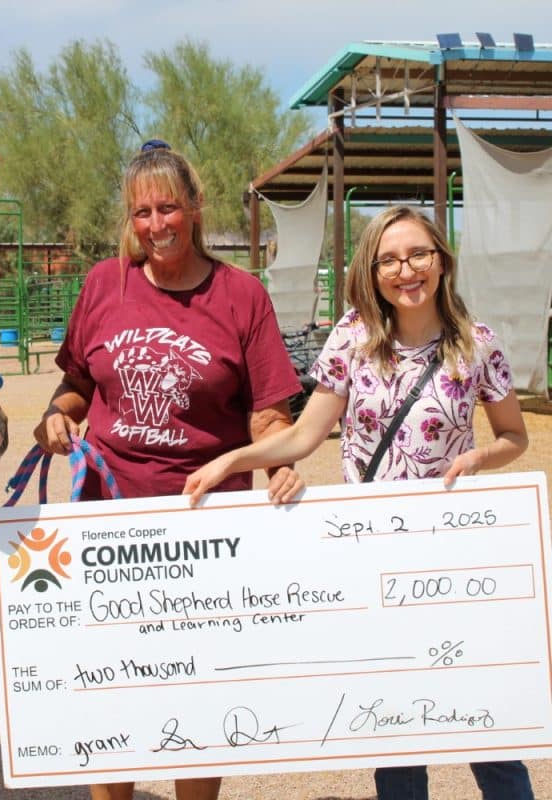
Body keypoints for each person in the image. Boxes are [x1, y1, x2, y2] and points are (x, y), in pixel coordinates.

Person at [183, 205, 534, 800]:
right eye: (389, 260)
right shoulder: (352, 339)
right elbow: (302, 435)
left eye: (418, 254)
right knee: (394, 731)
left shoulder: (477, 346)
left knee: (483, 715)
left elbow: (514, 437)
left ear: (441, 261)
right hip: (373, 561)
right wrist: (231, 460)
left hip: (453, 556)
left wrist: (478, 458)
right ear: (372, 274)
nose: (406, 270)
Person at [33, 139, 305, 800]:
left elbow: (271, 411)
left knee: (196, 689)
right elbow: (74, 383)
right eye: (143, 212)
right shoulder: (104, 284)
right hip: (107, 523)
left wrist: (278, 468)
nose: (157, 224)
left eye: (168, 207)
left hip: (204, 525)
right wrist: (55, 418)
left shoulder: (241, 295)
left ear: (195, 206)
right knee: (108, 684)